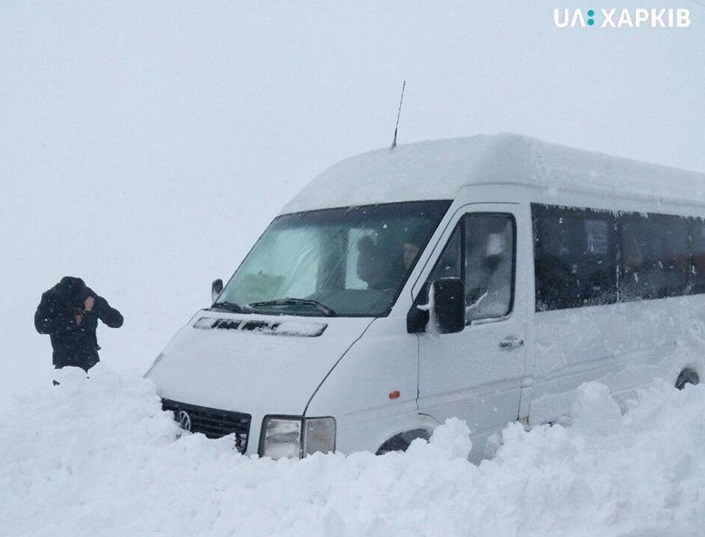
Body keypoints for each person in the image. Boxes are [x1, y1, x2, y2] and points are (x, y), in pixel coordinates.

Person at [34, 276, 123, 373]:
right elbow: (41, 325)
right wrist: (72, 320)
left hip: (89, 358)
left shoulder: (90, 298)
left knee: (96, 386)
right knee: (66, 386)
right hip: (64, 361)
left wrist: (95, 307)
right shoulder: (51, 299)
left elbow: (117, 321)